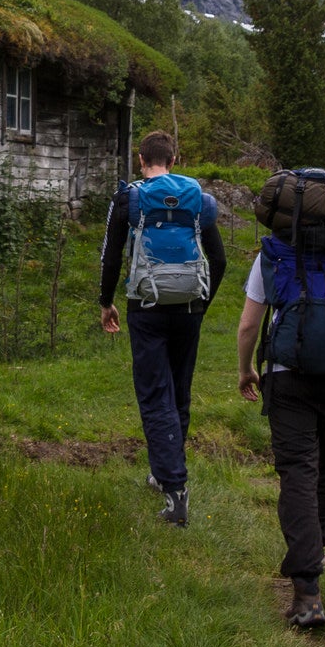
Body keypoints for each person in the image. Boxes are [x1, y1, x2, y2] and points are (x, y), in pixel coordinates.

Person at [235, 217, 325, 630]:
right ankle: (318, 546)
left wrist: (246, 369)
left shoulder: (273, 252)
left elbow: (249, 324)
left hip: (286, 377)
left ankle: (307, 591)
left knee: (298, 470)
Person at [98, 130, 225, 527]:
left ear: (141, 160)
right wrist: (202, 304)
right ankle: (164, 472)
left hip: (146, 308)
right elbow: (219, 260)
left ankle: (174, 490)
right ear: (173, 160)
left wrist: (106, 301)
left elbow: (110, 256)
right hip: (189, 307)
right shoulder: (197, 200)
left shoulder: (129, 199)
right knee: (179, 391)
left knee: (156, 395)